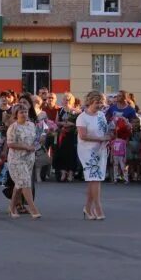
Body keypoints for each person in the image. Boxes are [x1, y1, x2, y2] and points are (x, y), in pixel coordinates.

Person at [77, 91, 112, 220]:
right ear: (90, 101)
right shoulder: (82, 117)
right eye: (97, 102)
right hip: (87, 151)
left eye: (101, 102)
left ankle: (87, 208)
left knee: (95, 179)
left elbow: (104, 130)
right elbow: (83, 136)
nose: (99, 105)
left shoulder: (102, 115)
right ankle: (98, 207)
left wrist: (109, 136)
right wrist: (101, 139)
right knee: (94, 178)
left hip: (100, 149)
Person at [5, 105, 41, 219]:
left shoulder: (31, 125)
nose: (24, 114)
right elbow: (10, 144)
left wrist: (38, 143)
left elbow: (34, 139)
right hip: (17, 159)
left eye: (26, 112)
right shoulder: (13, 127)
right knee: (25, 182)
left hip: (29, 159)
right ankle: (33, 208)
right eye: (21, 112)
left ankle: (11, 207)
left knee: (20, 184)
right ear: (16, 114)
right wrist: (25, 146)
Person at [52, 93, 79, 182]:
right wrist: (63, 124)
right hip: (62, 135)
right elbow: (56, 122)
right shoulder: (60, 110)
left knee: (71, 154)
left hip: (72, 135)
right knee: (62, 153)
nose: (66, 101)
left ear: (72, 101)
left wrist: (72, 124)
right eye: (65, 99)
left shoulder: (75, 111)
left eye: (68, 99)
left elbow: (78, 124)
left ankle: (71, 173)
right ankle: (63, 172)